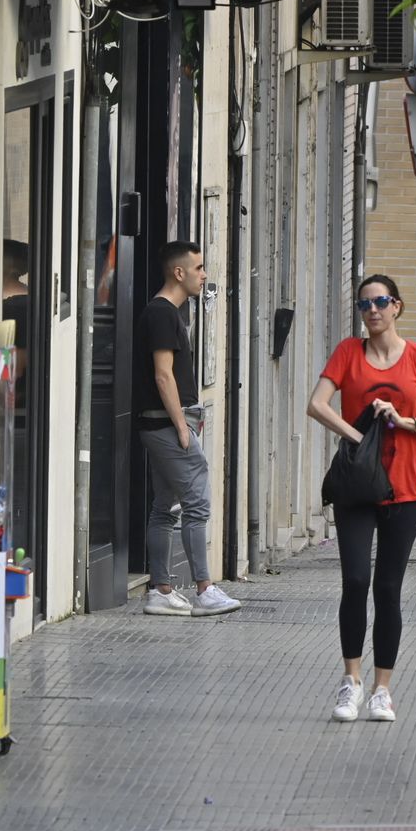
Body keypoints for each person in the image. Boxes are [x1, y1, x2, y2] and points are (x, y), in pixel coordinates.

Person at [307, 275, 416, 723]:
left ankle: (381, 689)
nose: (372, 310)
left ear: (397, 308)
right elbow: (317, 404)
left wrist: (404, 421)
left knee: (388, 589)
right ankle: (350, 682)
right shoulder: (348, 352)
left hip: (406, 489)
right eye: (364, 304)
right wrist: (357, 436)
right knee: (355, 581)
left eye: (380, 302)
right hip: (357, 486)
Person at [137, 241, 242, 618]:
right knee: (197, 503)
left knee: (165, 507)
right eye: (199, 268)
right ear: (178, 273)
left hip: (165, 421)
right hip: (168, 422)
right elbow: (162, 374)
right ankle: (204, 589)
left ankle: (161, 590)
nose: (204, 274)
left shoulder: (167, 312)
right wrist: (182, 426)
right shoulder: (163, 314)